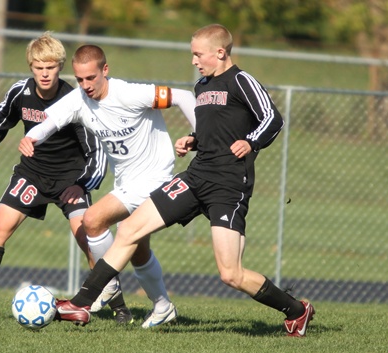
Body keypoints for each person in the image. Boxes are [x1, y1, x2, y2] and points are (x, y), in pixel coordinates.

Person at [51, 24, 316, 337]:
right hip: (196, 175)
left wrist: (251, 142)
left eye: (197, 54)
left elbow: (272, 118)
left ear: (220, 52)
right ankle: (81, 303)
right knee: (131, 228)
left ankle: (297, 310)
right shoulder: (203, 86)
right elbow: (214, 129)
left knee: (231, 274)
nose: (194, 61)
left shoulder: (241, 80)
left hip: (228, 185)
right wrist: (192, 139)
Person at [0, 32, 134, 324]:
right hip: (32, 174)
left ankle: (119, 308)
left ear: (60, 67)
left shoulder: (75, 99)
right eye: (39, 67)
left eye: (51, 67)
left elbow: (96, 151)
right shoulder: (21, 92)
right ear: (31, 67)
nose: (45, 73)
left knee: (88, 240)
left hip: (70, 180)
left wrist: (80, 184)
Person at [18, 44, 196, 328]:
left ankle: (106, 283)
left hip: (155, 177)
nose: (86, 85)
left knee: (93, 218)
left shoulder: (130, 94)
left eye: (91, 78)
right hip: (126, 181)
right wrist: (32, 138)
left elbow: (184, 96)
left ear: (105, 70)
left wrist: (200, 135)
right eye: (79, 79)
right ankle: (162, 306)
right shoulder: (78, 100)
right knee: (138, 249)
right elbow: (48, 122)